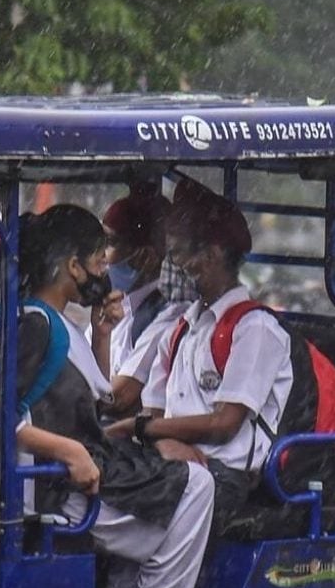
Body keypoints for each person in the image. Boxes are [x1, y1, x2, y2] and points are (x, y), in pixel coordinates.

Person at [0, 204, 213, 588]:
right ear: (73, 267)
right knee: (197, 488)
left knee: (172, 504)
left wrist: (102, 332)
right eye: (97, 261)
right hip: (59, 489)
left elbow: (97, 400)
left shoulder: (53, 322)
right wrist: (69, 451)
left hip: (75, 475)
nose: (103, 272)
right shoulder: (36, 326)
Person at [107, 180, 294, 524]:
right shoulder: (181, 329)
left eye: (177, 253)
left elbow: (224, 425)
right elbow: (155, 411)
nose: (170, 264)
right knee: (93, 468)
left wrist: (141, 429)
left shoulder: (254, 329)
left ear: (210, 256)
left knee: (102, 502)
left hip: (222, 477)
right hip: (172, 463)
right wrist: (158, 441)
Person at [101, 183, 201, 417]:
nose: (100, 256)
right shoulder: (117, 309)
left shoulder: (170, 316)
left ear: (145, 257)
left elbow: (119, 397)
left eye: (109, 243)